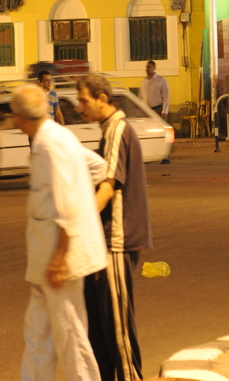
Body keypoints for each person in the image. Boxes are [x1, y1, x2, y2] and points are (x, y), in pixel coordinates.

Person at [11, 84, 108, 381]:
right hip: (46, 261)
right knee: (38, 333)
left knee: (70, 334)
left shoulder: (50, 145)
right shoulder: (58, 137)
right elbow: (98, 168)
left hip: (59, 260)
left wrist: (59, 257)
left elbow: (66, 205)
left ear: (18, 118)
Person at [77, 75, 152, 381]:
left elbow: (108, 187)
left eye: (84, 101)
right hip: (105, 242)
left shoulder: (118, 131)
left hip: (117, 241)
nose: (79, 107)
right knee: (101, 329)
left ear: (102, 98)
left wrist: (77, 225)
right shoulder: (109, 130)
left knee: (118, 329)